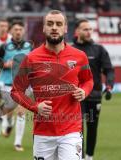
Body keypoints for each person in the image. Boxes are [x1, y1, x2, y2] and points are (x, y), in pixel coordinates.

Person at [11, 10, 94, 160]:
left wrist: (84, 91)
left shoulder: (79, 56)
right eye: (50, 24)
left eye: (58, 24)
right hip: (43, 133)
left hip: (71, 131)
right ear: (43, 28)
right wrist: (35, 107)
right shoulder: (31, 58)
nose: (54, 27)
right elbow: (16, 91)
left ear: (66, 28)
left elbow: (88, 80)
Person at [73, 19, 115, 160]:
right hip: (75, 97)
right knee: (77, 130)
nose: (88, 32)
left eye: (90, 29)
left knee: (92, 128)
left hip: (94, 95)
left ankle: (89, 157)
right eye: (85, 29)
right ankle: (81, 157)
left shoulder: (99, 49)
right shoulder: (70, 49)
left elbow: (109, 70)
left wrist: (109, 86)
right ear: (77, 31)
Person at [0, 20, 32, 151]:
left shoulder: (30, 47)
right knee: (9, 110)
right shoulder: (4, 47)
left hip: (24, 85)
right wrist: (5, 65)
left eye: (20, 29)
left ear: (24, 31)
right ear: (11, 31)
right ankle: (7, 122)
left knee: (21, 112)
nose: (18, 32)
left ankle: (17, 143)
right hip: (7, 83)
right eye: (15, 29)